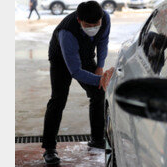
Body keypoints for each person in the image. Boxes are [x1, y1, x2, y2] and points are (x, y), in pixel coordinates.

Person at [41, 1, 114, 164]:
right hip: (61, 60)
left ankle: (97, 139)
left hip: (85, 55)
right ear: (79, 20)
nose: (94, 27)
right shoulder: (67, 32)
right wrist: (101, 78)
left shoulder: (105, 18)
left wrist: (100, 67)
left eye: (97, 23)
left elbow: (103, 42)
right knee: (58, 100)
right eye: (89, 25)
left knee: (98, 92)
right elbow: (75, 71)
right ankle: (49, 148)